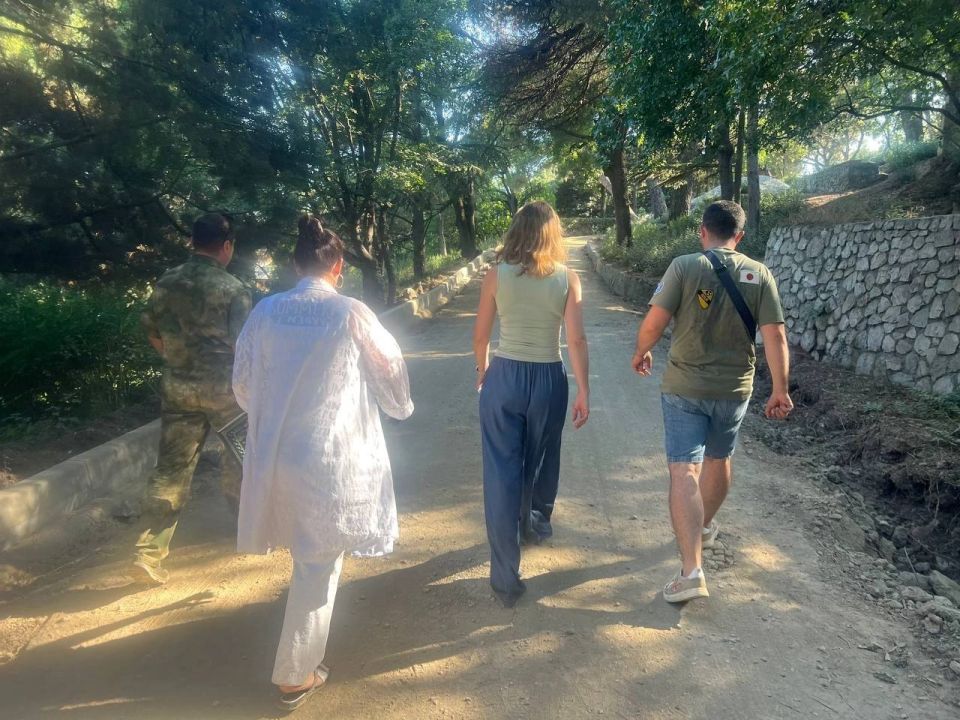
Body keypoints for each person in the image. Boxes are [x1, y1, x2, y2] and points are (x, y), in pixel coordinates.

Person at [232, 215, 413, 710]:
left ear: (295, 266)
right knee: (317, 562)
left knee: (308, 555)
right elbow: (391, 372)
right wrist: (398, 407)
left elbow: (243, 383)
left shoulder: (266, 312)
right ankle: (295, 674)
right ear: (338, 266)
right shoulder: (351, 313)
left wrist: (274, 414)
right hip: (330, 460)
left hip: (276, 456)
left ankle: (299, 664)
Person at [631, 200, 793, 603]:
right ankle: (702, 527)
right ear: (740, 236)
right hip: (735, 389)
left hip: (685, 388)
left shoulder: (685, 266)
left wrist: (642, 350)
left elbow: (654, 322)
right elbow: (775, 335)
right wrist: (780, 389)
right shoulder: (759, 273)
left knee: (684, 470)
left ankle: (691, 571)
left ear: (702, 231)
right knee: (719, 460)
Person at [473, 200, 590, 608]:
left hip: (504, 376)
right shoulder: (567, 279)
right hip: (548, 378)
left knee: (501, 472)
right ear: (553, 234)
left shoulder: (496, 275)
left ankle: (505, 578)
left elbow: (480, 336)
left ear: (516, 231)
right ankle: (533, 524)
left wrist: (483, 370)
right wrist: (584, 390)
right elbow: (576, 339)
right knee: (539, 459)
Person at [135, 212, 252, 584]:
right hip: (227, 394)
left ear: (193, 241)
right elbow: (243, 346)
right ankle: (248, 532)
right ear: (227, 246)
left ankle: (148, 552)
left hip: (179, 390)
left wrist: (180, 360)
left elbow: (153, 334)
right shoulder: (234, 288)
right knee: (242, 459)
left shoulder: (167, 282)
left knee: (171, 468)